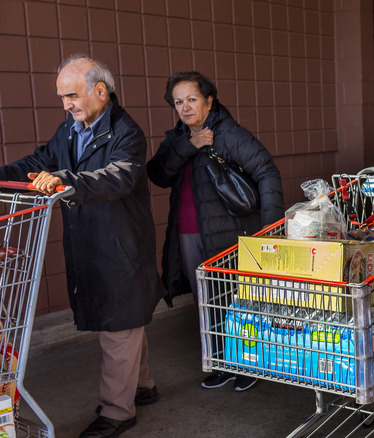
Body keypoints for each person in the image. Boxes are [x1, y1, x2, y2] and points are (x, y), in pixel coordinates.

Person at [0, 54, 164, 438]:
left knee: (120, 327)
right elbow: (39, 160)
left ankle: (117, 411)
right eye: (62, 97)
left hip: (120, 245)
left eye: (71, 95)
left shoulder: (127, 132)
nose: (66, 104)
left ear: (100, 91)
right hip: (90, 242)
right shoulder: (70, 130)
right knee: (125, 323)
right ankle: (142, 386)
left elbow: (117, 177)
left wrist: (65, 180)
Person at [147, 72, 284, 392]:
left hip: (229, 231)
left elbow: (267, 171)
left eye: (192, 99)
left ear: (209, 100)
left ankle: (248, 364)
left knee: (239, 301)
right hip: (189, 232)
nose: (185, 107)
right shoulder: (180, 137)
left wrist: (271, 228)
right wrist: (189, 146)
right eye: (178, 102)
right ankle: (222, 363)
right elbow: (158, 174)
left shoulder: (228, 133)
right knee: (207, 301)